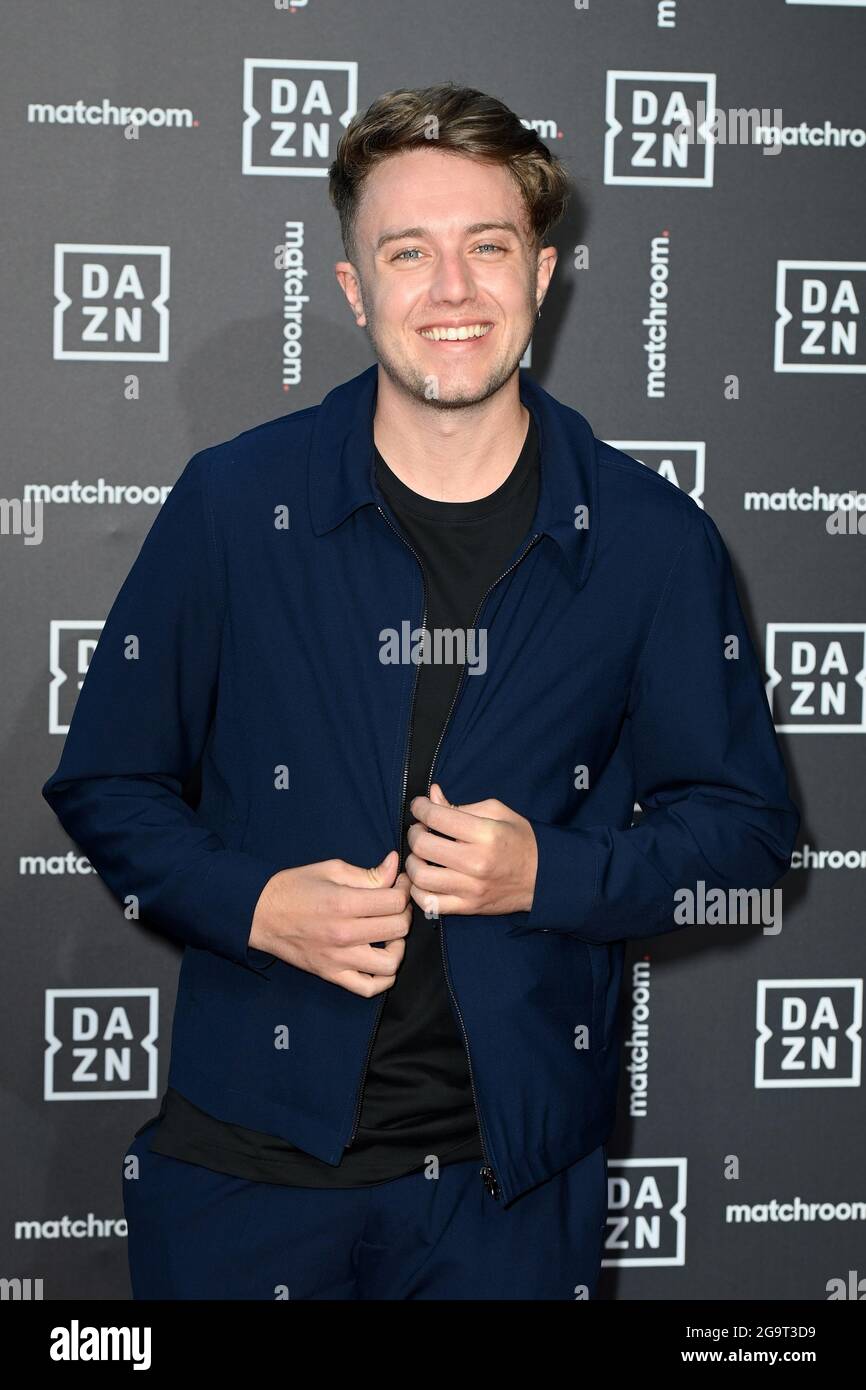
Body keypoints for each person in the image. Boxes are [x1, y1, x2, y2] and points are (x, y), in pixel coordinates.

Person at [42, 82, 799, 1301]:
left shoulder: (652, 542)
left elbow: (749, 836)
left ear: (541, 274)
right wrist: (253, 904)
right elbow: (107, 780)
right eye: (408, 252)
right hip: (247, 1174)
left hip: (511, 1198)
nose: (451, 290)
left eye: (485, 247)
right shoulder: (236, 505)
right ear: (353, 288)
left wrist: (550, 873)